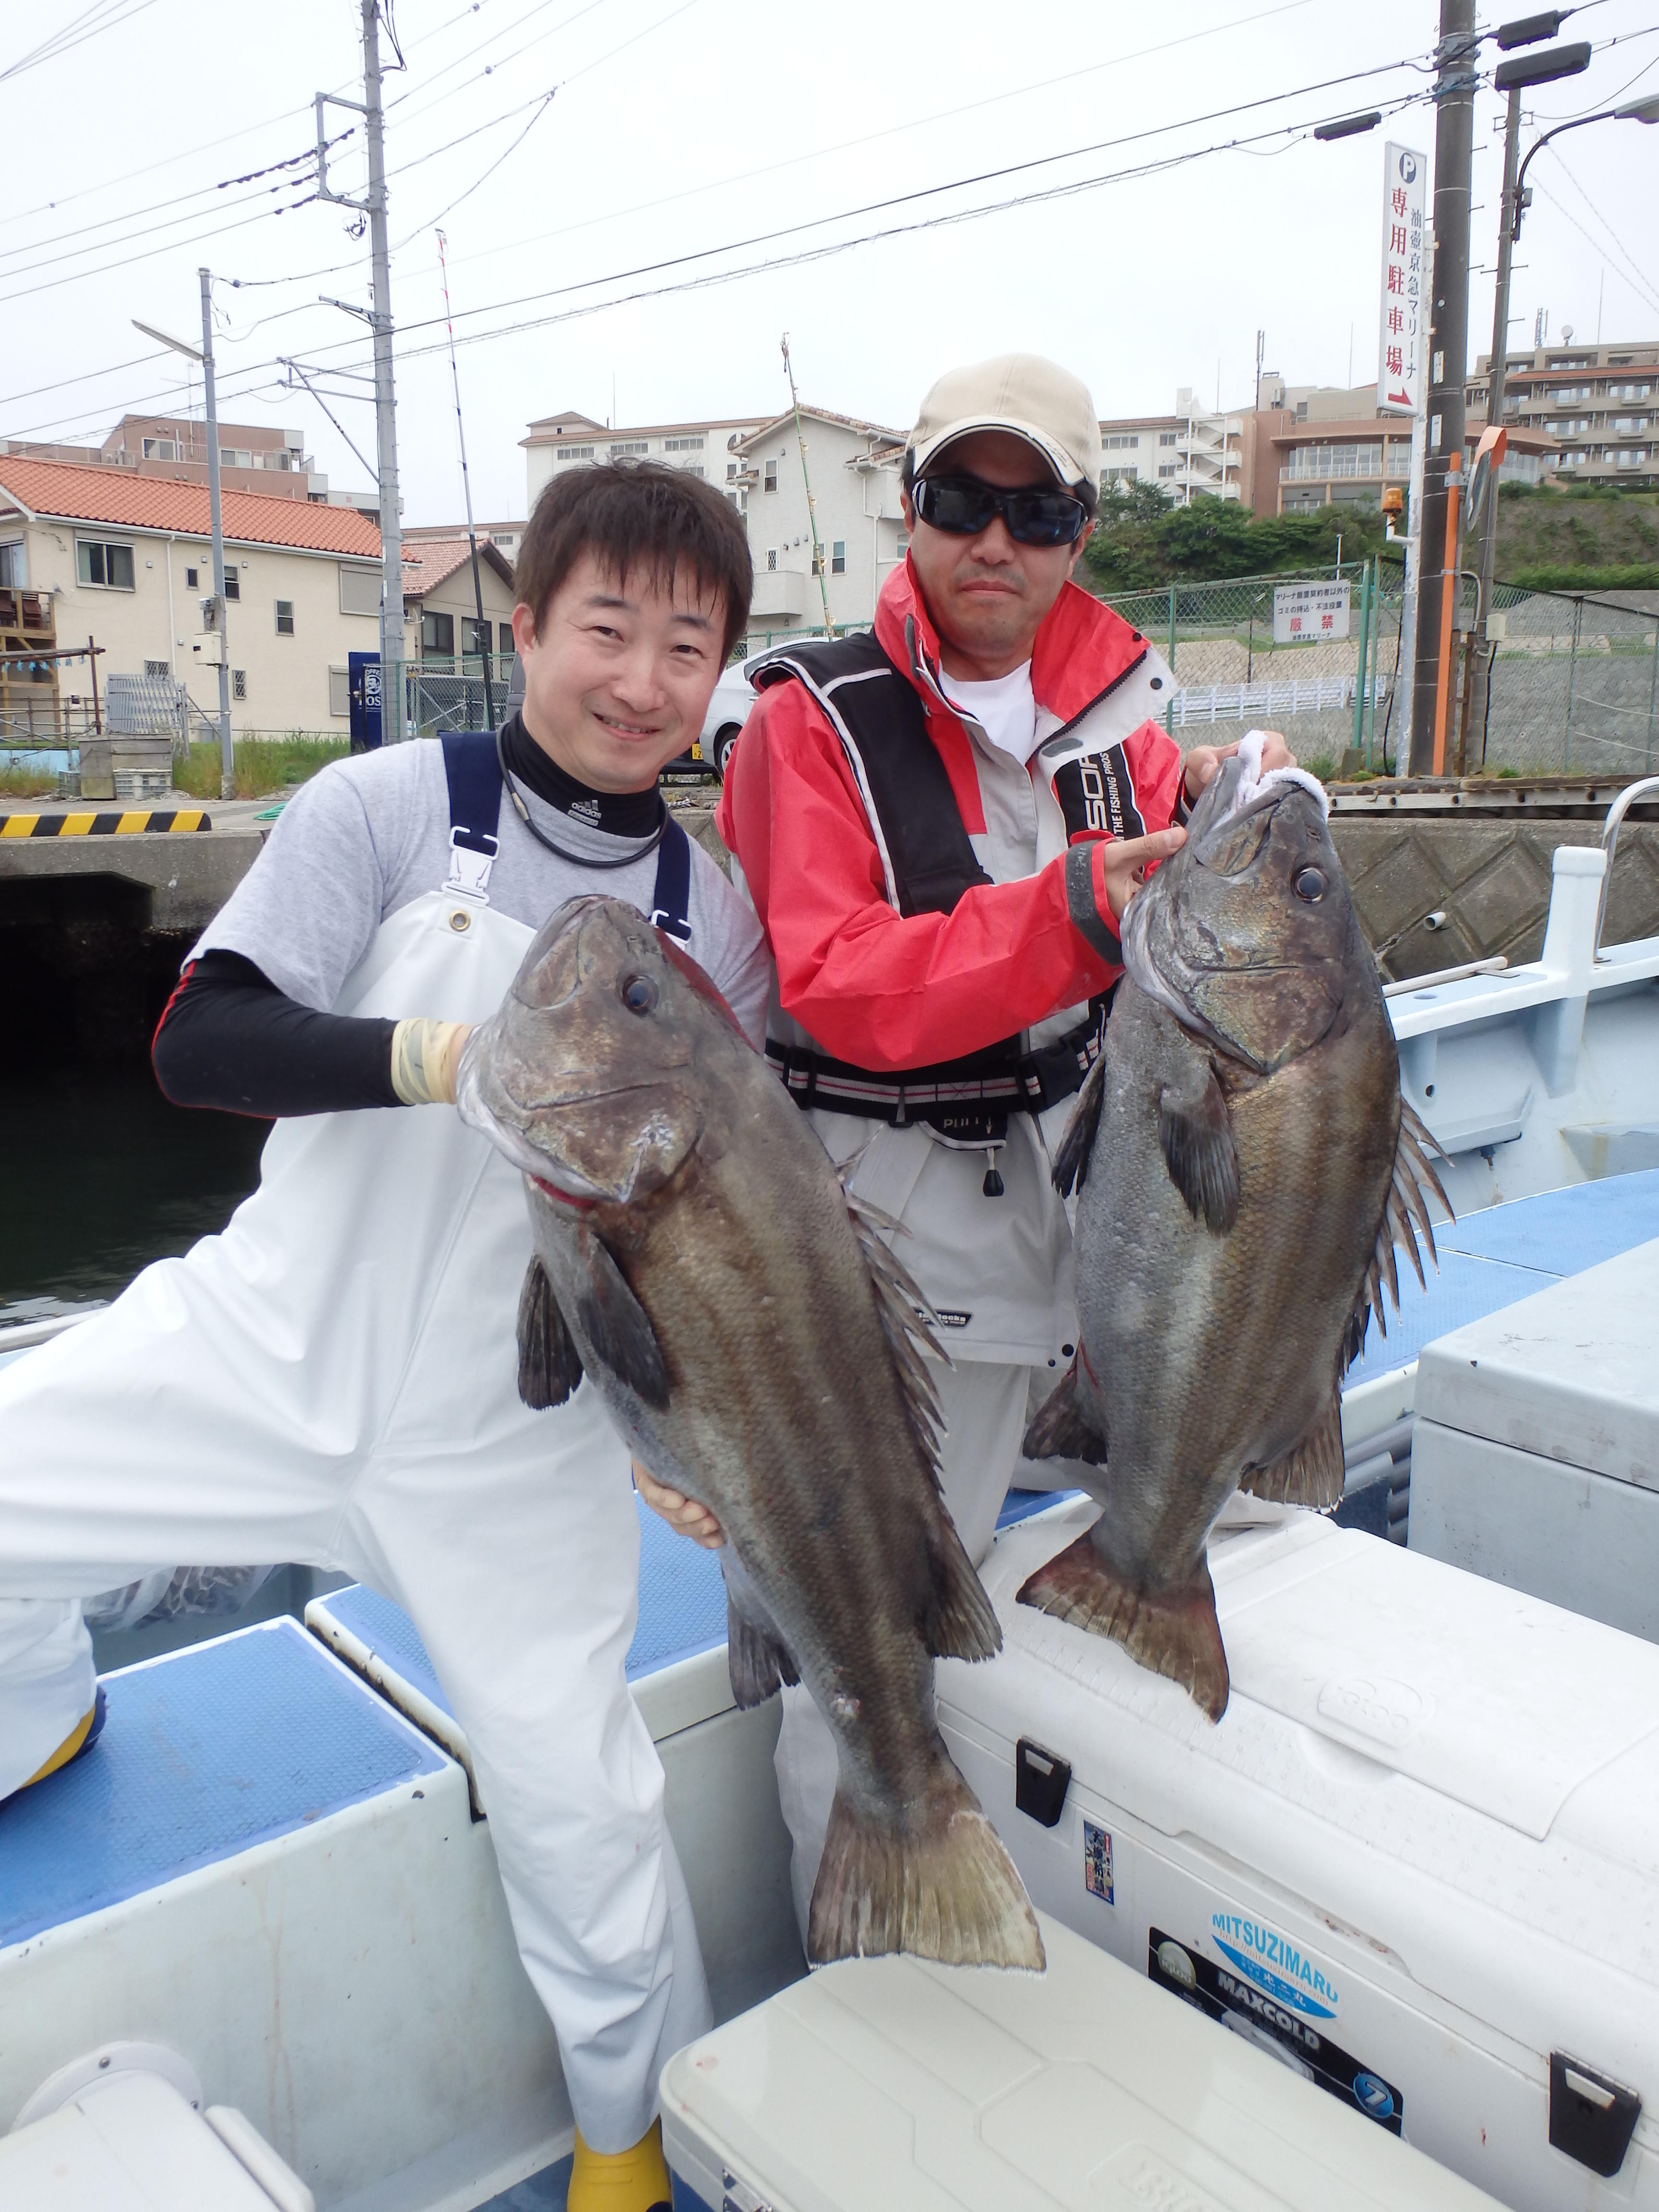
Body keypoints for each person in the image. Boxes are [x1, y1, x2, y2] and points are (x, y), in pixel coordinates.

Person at [0, 461, 770, 2212]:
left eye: (687, 645)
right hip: (265, 1348)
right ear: (528, 630)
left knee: (587, 1816)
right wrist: (440, 1061)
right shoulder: (379, 805)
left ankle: (628, 2154)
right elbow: (205, 1042)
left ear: (718, 667)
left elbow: (710, 1225)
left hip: (518, 1432)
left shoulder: (712, 921)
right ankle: (34, 1707)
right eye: (607, 630)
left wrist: (695, 1441)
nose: (642, 680)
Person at [639, 354, 1295, 1938]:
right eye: (960, 501)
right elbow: (840, 980)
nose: (996, 541)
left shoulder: (1123, 704)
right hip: (905, 1254)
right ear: (912, 507)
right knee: (868, 1641)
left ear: (1080, 528)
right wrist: (1081, 907)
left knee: (1253, 1503)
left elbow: (1159, 911)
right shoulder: (805, 722)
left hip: (1104, 1216)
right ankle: (873, 1941)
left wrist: (1203, 798)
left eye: (1039, 508)